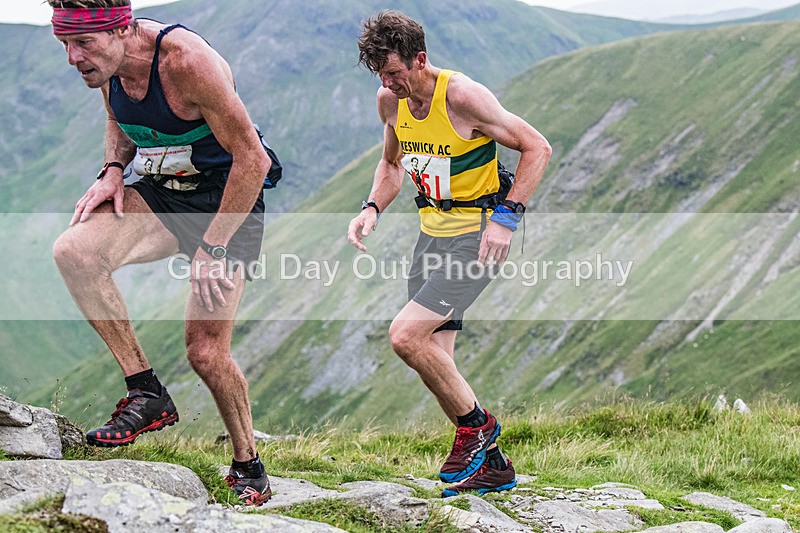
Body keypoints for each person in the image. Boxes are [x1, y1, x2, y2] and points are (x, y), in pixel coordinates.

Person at [49, 0, 276, 506]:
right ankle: (146, 391)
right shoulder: (106, 68)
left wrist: (214, 246)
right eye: (64, 44)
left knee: (205, 352)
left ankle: (249, 463)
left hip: (228, 196)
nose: (72, 57)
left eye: (83, 43)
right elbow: (119, 119)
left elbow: (253, 159)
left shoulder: (186, 62)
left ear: (122, 29)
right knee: (75, 252)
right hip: (164, 190)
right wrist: (112, 169)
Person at [348, 10, 552, 497]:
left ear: (420, 59)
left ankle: (480, 428)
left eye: (395, 72)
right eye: (380, 73)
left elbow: (537, 147)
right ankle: (494, 466)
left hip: (477, 234)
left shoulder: (462, 96)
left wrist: (506, 219)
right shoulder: (390, 101)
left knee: (404, 337)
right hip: (431, 234)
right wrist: (372, 206)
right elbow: (390, 164)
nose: (389, 82)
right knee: (437, 361)